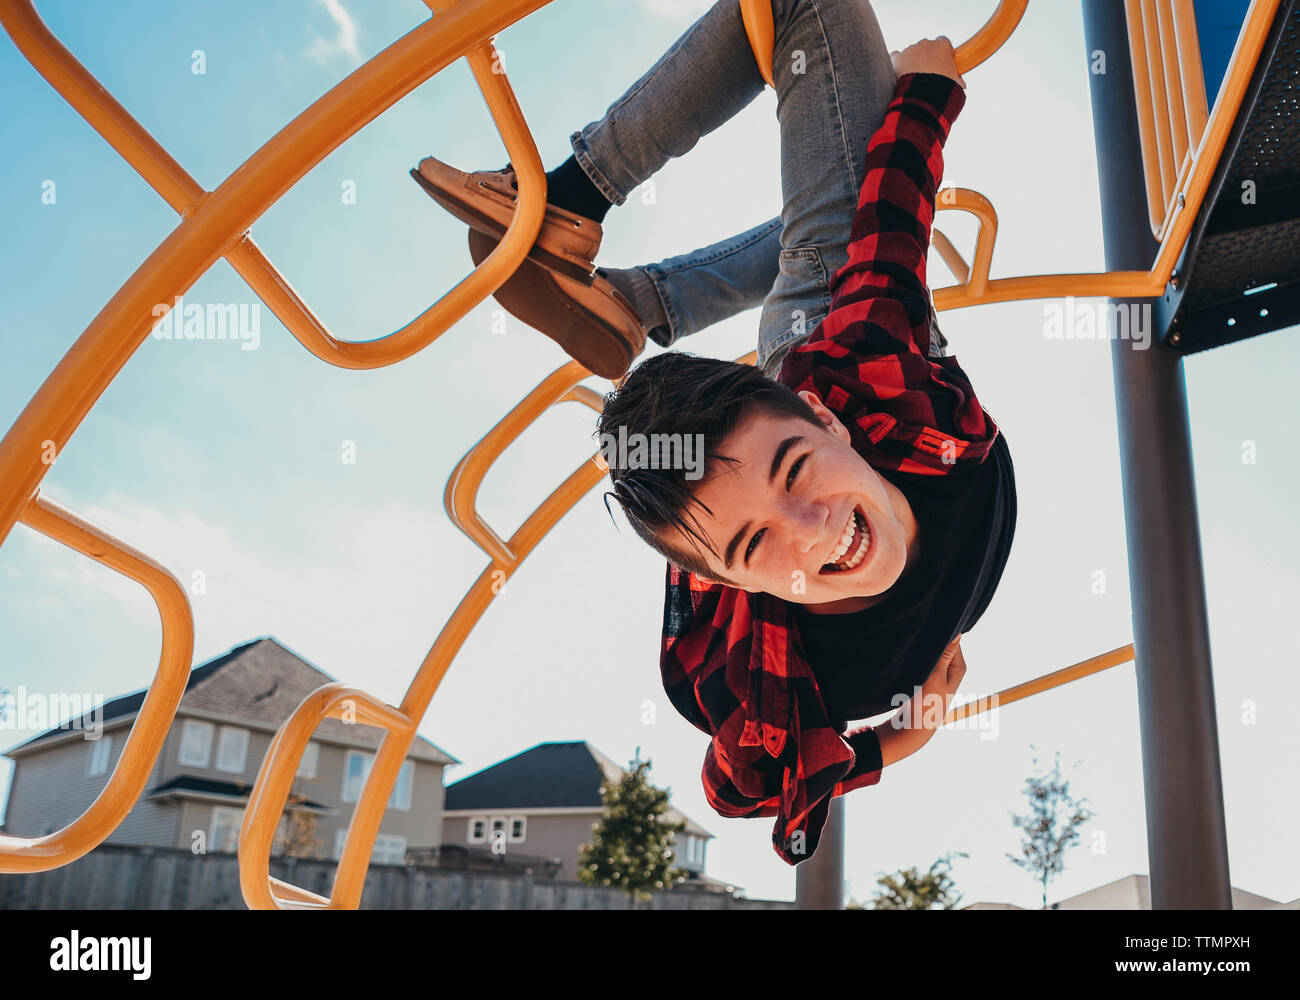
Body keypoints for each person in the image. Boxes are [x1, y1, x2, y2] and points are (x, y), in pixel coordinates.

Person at [414, 0, 1015, 866]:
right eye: (757, 541)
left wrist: (925, 99)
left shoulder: (872, 379)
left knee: (840, 243)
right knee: (821, 124)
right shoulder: (788, 686)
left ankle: (623, 276)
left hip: (822, 337)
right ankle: (607, 254)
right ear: (737, 577)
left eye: (798, 473)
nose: (812, 531)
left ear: (825, 419)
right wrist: (896, 742)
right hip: (822, 376)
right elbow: (740, 791)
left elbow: (889, 251)